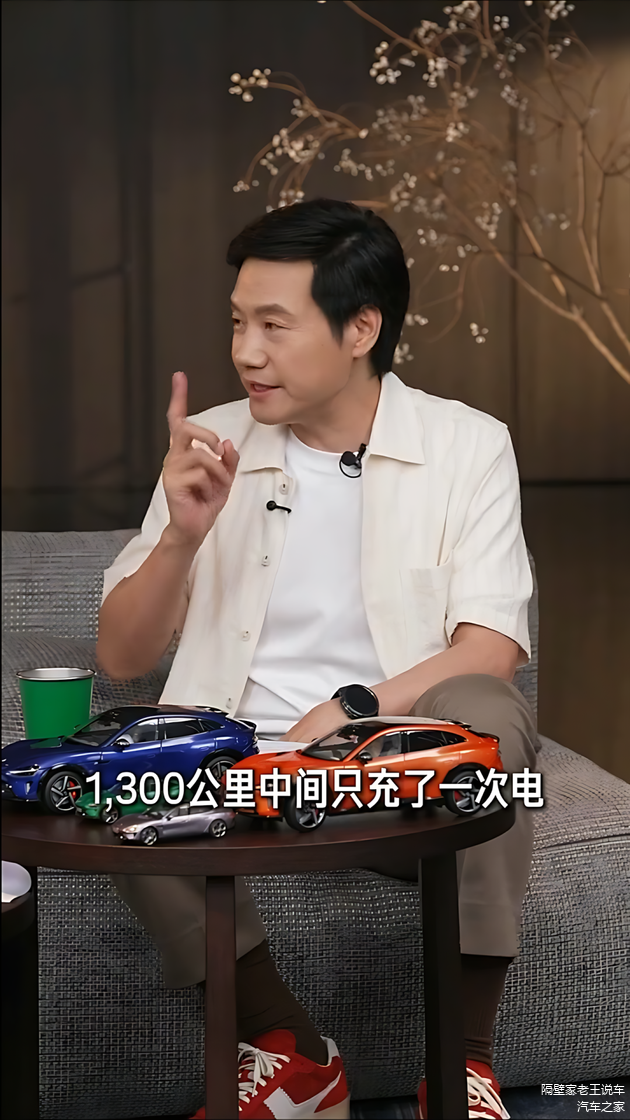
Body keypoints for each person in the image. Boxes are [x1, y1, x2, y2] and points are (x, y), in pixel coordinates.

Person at [97, 198, 537, 1120]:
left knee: (491, 721)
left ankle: (463, 1067)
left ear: (360, 329)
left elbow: (491, 649)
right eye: (236, 323)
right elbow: (122, 655)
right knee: (114, 769)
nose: (245, 352)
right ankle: (289, 1054)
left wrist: (351, 708)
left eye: (273, 325)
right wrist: (180, 537)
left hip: (388, 767)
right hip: (236, 773)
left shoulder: (467, 446)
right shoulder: (211, 444)